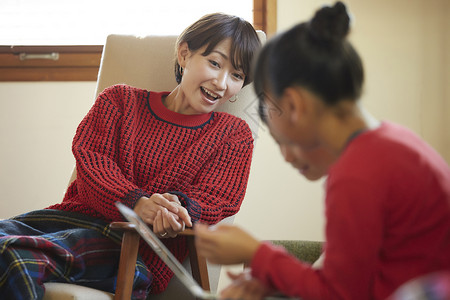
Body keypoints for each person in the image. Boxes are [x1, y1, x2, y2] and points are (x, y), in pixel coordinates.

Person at [194, 2, 450, 300]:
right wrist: (278, 279)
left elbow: (338, 294)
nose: (287, 158)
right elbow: (352, 276)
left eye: (282, 142)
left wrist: (258, 254)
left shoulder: (357, 175)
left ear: (293, 106)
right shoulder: (392, 142)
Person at [0, 13, 261, 300]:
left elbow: (218, 197)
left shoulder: (233, 135)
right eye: (214, 63)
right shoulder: (119, 101)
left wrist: (176, 208)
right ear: (184, 54)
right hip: (64, 222)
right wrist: (136, 202)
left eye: (237, 75)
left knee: (14, 258)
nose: (222, 83)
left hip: (131, 250)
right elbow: (92, 162)